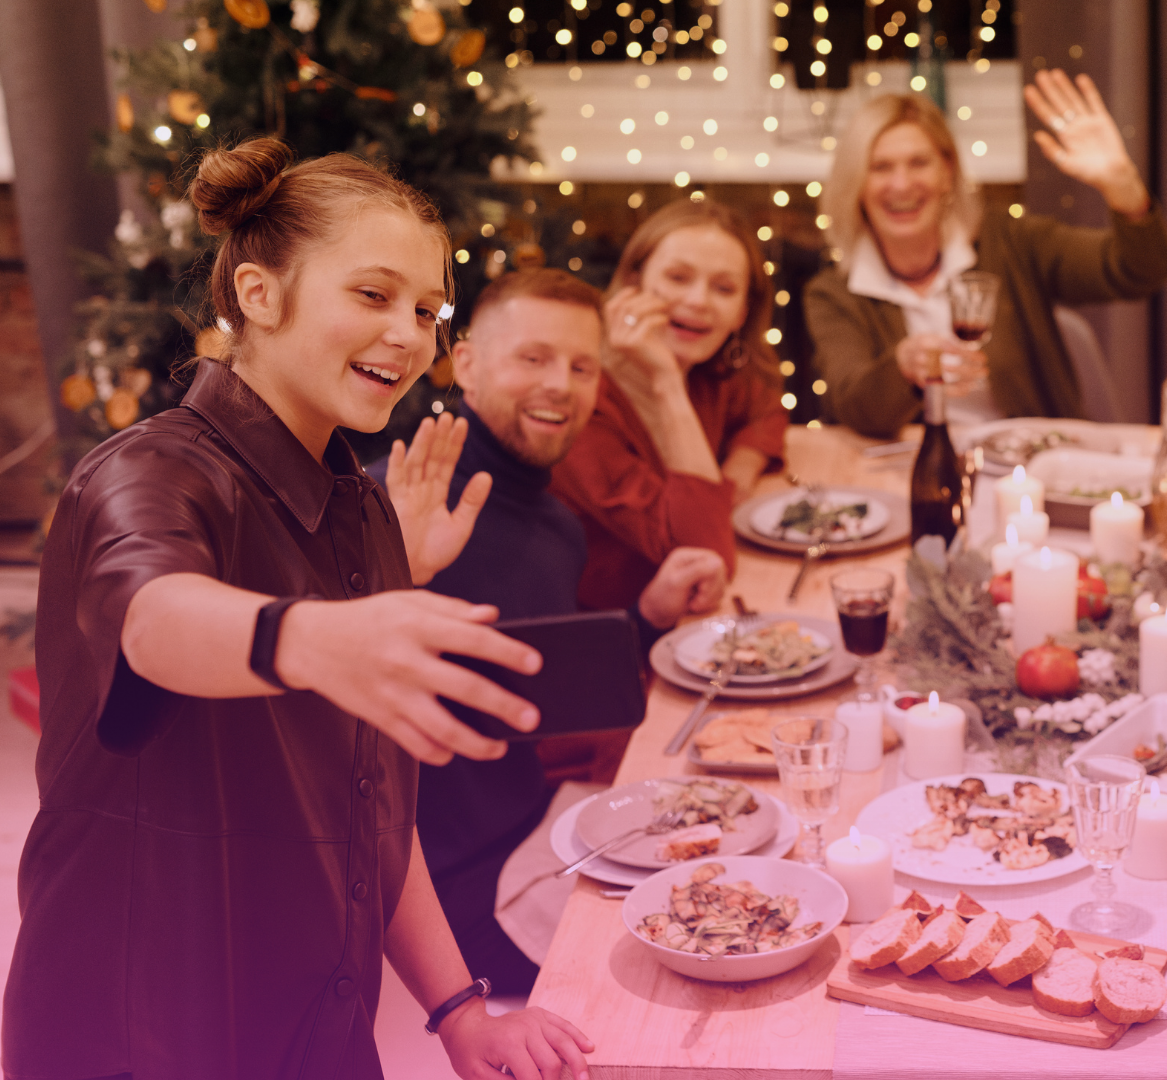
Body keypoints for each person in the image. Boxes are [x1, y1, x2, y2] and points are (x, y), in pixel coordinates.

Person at [4, 139, 593, 1079]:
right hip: (142, 1029)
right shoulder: (147, 472)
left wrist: (458, 1010)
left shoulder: (359, 509)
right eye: (373, 295)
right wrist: (313, 633)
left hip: (316, 1023)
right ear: (258, 295)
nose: (409, 334)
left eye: (427, 309)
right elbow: (155, 623)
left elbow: (369, 812)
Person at [369, 268, 728, 996]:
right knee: (704, 954)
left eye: (581, 366)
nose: (560, 384)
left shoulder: (555, 522)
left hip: (538, 828)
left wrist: (646, 615)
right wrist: (392, 577)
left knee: (740, 860)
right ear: (464, 363)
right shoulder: (397, 502)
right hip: (442, 895)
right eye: (532, 358)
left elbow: (533, 669)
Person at [804, 71, 1167, 436]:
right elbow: (853, 407)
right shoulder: (834, 294)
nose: (901, 184)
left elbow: (1141, 271)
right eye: (880, 167)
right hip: (918, 470)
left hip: (1029, 469)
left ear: (947, 172)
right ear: (857, 183)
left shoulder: (1011, 241)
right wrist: (902, 368)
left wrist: (1123, 187)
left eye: (919, 163)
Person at [550, 199, 786, 617]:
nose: (698, 300)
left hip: (687, 617)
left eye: (724, 288)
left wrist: (740, 468)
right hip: (611, 633)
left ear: (741, 313)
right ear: (634, 283)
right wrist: (666, 383)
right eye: (678, 278)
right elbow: (704, 555)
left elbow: (766, 408)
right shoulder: (578, 400)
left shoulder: (706, 370)